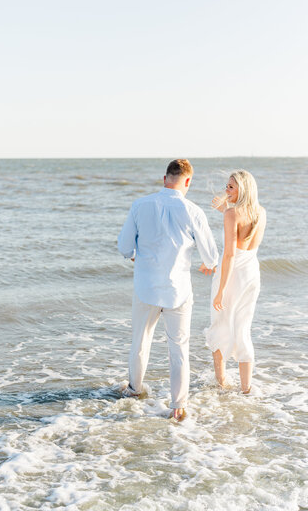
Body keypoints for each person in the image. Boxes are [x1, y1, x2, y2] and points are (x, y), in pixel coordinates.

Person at [118, 159, 218, 421]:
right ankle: (178, 406)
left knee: (140, 341)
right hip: (178, 291)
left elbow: (125, 247)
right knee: (179, 348)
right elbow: (211, 257)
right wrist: (208, 264)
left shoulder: (140, 205)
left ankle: (134, 390)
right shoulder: (194, 211)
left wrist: (135, 256)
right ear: (188, 182)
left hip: (145, 288)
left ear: (165, 179)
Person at [205, 170, 266, 394]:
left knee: (220, 325)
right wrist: (224, 209)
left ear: (243, 189)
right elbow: (243, 235)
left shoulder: (232, 214)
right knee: (243, 329)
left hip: (232, 275)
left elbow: (230, 255)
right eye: (226, 186)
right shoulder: (261, 212)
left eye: (231, 187)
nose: (226, 190)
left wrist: (220, 290)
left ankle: (221, 384)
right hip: (251, 274)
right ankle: (246, 388)